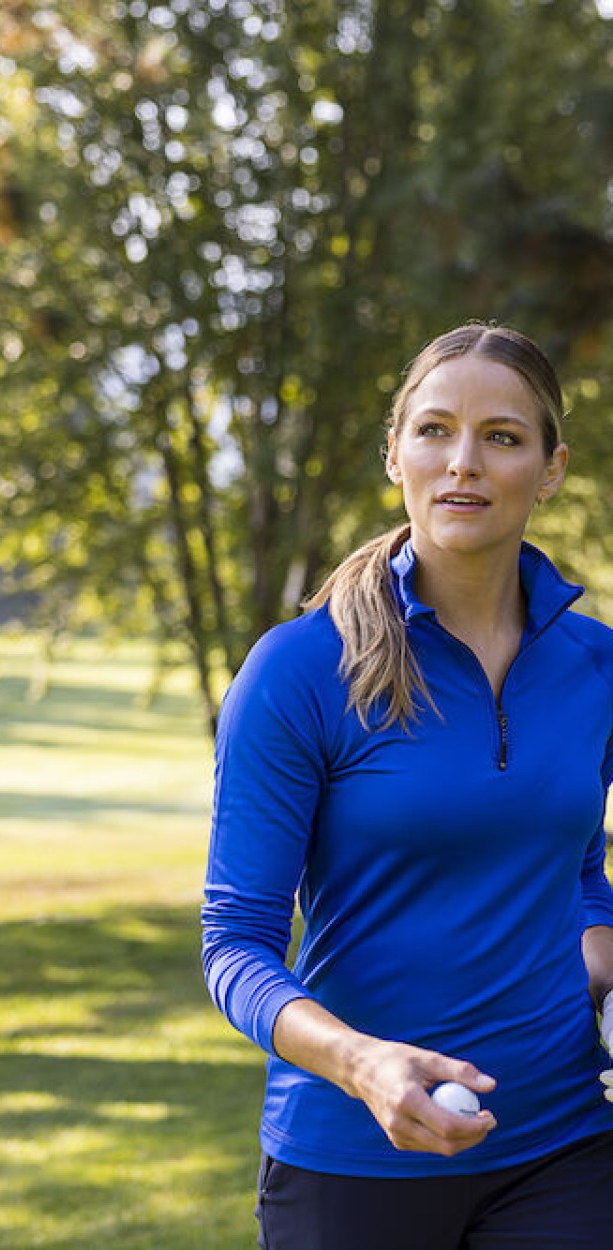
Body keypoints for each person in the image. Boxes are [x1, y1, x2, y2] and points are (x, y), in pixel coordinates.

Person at [201, 323, 613, 1249]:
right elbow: (234, 944)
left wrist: (606, 975)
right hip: (353, 1158)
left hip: (566, 1143)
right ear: (396, 453)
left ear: (549, 469)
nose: (462, 462)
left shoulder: (597, 666)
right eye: (435, 430)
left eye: (502, 437)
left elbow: (578, 871)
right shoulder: (299, 672)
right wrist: (364, 1064)